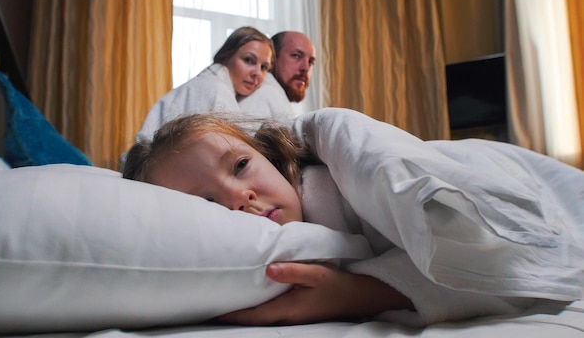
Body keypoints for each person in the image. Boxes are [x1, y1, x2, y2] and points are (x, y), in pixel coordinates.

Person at [122, 110, 584, 326]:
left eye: (242, 166)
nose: (240, 196)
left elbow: (478, 246)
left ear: (266, 154)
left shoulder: (335, 177)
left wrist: (362, 293)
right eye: (208, 205)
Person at [134, 26, 276, 144]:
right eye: (249, 60)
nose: (257, 73)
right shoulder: (214, 90)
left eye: (264, 67)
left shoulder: (206, 85)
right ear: (225, 57)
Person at [238, 31, 316, 116]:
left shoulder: (276, 101)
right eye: (296, 55)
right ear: (272, 59)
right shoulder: (262, 95)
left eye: (311, 62)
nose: (306, 68)